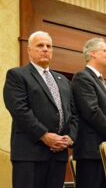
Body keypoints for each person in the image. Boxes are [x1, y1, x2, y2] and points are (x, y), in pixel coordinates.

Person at [3, 31, 78, 188]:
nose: (45, 49)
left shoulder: (63, 80)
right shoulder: (17, 75)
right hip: (30, 154)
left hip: (58, 155)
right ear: (29, 50)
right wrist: (44, 135)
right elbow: (20, 111)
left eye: (49, 46)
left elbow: (74, 113)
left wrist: (70, 137)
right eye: (40, 45)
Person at [71, 38, 106, 188]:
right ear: (93, 53)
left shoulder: (104, 82)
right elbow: (91, 111)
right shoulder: (82, 78)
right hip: (91, 152)